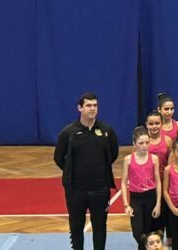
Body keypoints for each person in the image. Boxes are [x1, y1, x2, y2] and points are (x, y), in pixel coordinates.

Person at [55, 92, 119, 250]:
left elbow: (113, 154)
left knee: (100, 227)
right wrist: (73, 171)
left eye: (95, 105)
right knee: (76, 227)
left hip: (100, 190)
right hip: (76, 191)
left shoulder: (106, 131)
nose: (92, 108)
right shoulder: (68, 132)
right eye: (88, 105)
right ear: (80, 108)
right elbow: (58, 157)